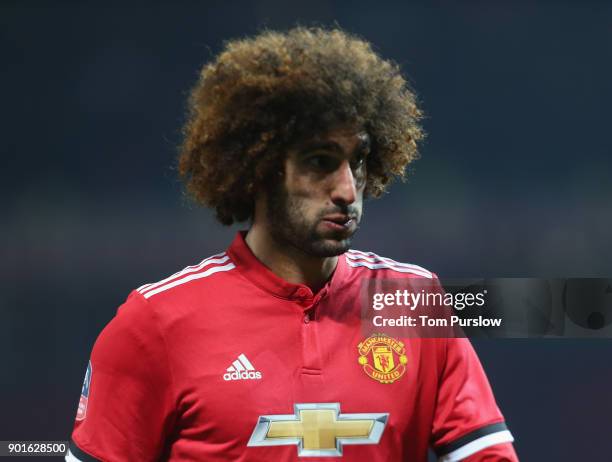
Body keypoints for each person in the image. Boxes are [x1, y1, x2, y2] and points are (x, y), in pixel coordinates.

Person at [67, 27, 518, 461]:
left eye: (357, 161)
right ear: (259, 168)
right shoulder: (155, 323)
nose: (346, 189)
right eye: (319, 162)